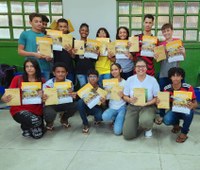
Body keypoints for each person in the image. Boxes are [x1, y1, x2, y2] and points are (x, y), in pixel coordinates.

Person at [1, 58, 45, 139]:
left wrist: (43, 95)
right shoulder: (17, 78)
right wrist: (4, 98)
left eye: (32, 66)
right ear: (24, 68)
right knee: (34, 121)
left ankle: (28, 126)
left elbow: (46, 98)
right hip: (19, 109)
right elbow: (7, 93)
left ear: (36, 68)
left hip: (36, 110)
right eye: (27, 66)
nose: (29, 68)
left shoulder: (42, 81)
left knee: (38, 135)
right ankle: (25, 126)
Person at [156, 67, 197, 143]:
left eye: (178, 76)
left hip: (186, 110)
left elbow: (195, 103)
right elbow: (164, 103)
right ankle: (176, 125)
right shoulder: (167, 88)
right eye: (173, 76)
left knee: (189, 113)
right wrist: (159, 102)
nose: (175, 78)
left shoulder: (188, 87)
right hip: (174, 110)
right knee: (166, 120)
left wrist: (192, 105)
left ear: (182, 77)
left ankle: (184, 133)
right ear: (170, 77)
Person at [123, 58, 160, 139]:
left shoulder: (152, 80)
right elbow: (125, 96)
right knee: (128, 135)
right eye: (138, 66)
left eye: (143, 66)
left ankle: (148, 127)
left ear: (146, 68)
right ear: (135, 68)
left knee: (145, 121)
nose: (140, 68)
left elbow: (156, 98)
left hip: (148, 106)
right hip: (133, 107)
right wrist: (129, 100)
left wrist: (147, 103)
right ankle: (136, 122)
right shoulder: (130, 80)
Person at [43, 62, 77, 131]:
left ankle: (64, 119)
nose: (60, 74)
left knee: (75, 105)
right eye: (58, 72)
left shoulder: (69, 83)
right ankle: (49, 122)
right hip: (52, 104)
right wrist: (43, 97)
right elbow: (44, 99)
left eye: (63, 72)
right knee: (49, 113)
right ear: (54, 73)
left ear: (66, 73)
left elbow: (71, 95)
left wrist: (73, 95)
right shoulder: (48, 84)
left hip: (64, 102)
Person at [18, 13, 51, 81]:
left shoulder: (45, 36)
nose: (39, 24)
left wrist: (48, 57)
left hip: (45, 67)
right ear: (30, 22)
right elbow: (20, 51)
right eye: (36, 21)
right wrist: (34, 54)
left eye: (40, 22)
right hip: (30, 68)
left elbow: (48, 54)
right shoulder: (25, 34)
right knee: (31, 89)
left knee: (45, 90)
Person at [157, 23, 186, 91]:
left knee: (177, 92)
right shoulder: (161, 44)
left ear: (172, 31)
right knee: (164, 92)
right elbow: (158, 59)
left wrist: (183, 52)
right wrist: (159, 55)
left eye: (168, 30)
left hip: (176, 73)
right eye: (164, 31)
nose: (166, 33)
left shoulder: (178, 42)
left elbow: (183, 58)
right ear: (162, 33)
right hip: (164, 73)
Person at [102, 63, 126, 135]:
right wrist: (104, 98)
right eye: (112, 70)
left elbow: (128, 97)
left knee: (117, 132)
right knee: (104, 117)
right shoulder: (108, 82)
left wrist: (123, 95)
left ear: (120, 70)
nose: (114, 72)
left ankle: (122, 118)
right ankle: (115, 118)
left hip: (122, 107)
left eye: (116, 69)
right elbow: (106, 96)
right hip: (112, 107)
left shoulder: (125, 82)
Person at [77, 69, 103, 133]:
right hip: (86, 107)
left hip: (96, 108)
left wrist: (103, 102)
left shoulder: (101, 88)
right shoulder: (84, 87)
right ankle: (85, 123)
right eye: (90, 77)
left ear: (98, 78)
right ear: (88, 78)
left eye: (94, 76)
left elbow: (104, 105)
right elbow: (77, 98)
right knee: (80, 102)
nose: (92, 78)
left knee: (100, 117)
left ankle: (96, 118)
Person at [53, 18, 76, 84]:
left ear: (67, 28)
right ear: (57, 27)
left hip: (69, 69)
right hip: (57, 69)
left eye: (65, 26)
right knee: (58, 89)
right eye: (60, 26)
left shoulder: (72, 39)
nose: (63, 28)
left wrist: (71, 51)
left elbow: (74, 57)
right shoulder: (53, 38)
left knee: (69, 88)